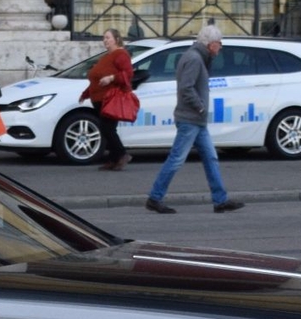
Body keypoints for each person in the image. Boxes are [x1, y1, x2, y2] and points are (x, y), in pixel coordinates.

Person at [146, 25, 246, 215]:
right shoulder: (194, 58)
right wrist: (200, 106)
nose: (221, 47)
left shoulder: (199, 56)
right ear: (210, 44)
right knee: (176, 159)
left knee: (211, 157)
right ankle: (155, 198)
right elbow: (186, 87)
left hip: (196, 121)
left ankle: (220, 200)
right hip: (190, 119)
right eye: (219, 43)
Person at [80, 25, 136, 170]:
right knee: (107, 129)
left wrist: (111, 78)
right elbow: (96, 79)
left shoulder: (121, 55)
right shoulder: (107, 56)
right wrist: (86, 93)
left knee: (107, 129)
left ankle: (122, 154)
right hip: (99, 98)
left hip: (110, 98)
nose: (105, 41)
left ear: (116, 39)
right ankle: (114, 159)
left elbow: (128, 74)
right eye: (104, 38)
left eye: (108, 38)